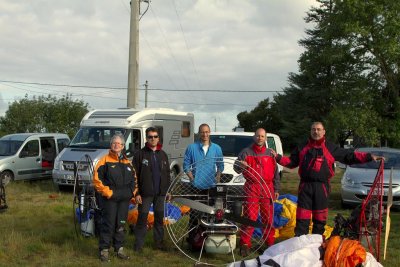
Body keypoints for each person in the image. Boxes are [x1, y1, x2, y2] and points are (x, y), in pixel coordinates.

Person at [272, 121, 383, 237]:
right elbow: (291, 162)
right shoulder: (302, 147)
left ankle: (317, 243)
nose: (316, 132)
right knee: (302, 217)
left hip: (322, 187)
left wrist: (369, 157)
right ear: (310, 131)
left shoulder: (330, 147)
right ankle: (300, 243)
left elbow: (348, 156)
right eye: (313, 129)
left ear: (324, 132)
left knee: (320, 218)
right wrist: (278, 157)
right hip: (305, 186)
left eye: (319, 129)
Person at [234, 128, 280, 257]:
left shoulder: (270, 153)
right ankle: (245, 244)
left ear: (265, 138)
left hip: (267, 188)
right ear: (254, 137)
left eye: (262, 136)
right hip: (251, 188)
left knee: (268, 217)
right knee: (250, 217)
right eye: (258, 136)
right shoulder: (245, 152)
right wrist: (240, 165)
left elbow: (276, 173)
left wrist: (276, 188)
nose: (260, 138)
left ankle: (269, 243)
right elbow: (236, 168)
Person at [93, 133, 136, 262]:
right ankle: (104, 250)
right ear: (111, 145)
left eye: (119, 143)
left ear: (123, 146)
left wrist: (131, 193)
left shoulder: (127, 162)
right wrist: (108, 193)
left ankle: (119, 249)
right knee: (108, 224)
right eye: (114, 143)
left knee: (121, 224)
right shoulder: (104, 161)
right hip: (110, 199)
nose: (116, 145)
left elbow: (135, 180)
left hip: (124, 200)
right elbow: (97, 180)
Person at [183, 123, 224, 243]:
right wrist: (191, 178)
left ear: (209, 133)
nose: (205, 134)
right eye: (202, 132)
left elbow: (220, 165)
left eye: (207, 132)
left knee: (210, 214)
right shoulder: (191, 147)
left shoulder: (216, 148)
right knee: (194, 215)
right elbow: (186, 165)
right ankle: (192, 240)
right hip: (196, 187)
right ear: (199, 133)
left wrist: (218, 176)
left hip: (211, 187)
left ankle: (208, 240)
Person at [132, 127, 171, 252]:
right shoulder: (140, 154)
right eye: (150, 137)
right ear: (146, 138)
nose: (153, 139)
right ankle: (138, 246)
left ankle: (159, 244)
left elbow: (167, 175)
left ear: (158, 138)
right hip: (145, 194)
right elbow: (134, 175)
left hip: (160, 194)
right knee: (142, 219)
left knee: (159, 219)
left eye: (155, 136)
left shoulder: (163, 154)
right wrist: (136, 193)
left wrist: (168, 191)